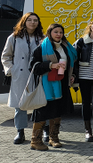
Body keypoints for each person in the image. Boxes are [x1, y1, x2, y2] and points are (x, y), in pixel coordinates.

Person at [29, 23, 78, 150]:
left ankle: (53, 138)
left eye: (61, 32)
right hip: (46, 85)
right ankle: (35, 141)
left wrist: (72, 75)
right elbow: (33, 67)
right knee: (42, 112)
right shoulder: (42, 48)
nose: (58, 34)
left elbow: (72, 63)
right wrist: (50, 65)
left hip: (62, 83)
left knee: (58, 111)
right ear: (50, 33)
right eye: (55, 32)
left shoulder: (66, 47)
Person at [2, 12, 44, 144]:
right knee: (19, 105)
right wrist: (11, 70)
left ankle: (42, 131)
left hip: (38, 74)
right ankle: (20, 131)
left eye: (35, 20)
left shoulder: (42, 38)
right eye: (30, 20)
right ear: (24, 21)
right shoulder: (14, 37)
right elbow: (5, 56)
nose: (33, 22)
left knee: (41, 102)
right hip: (20, 75)